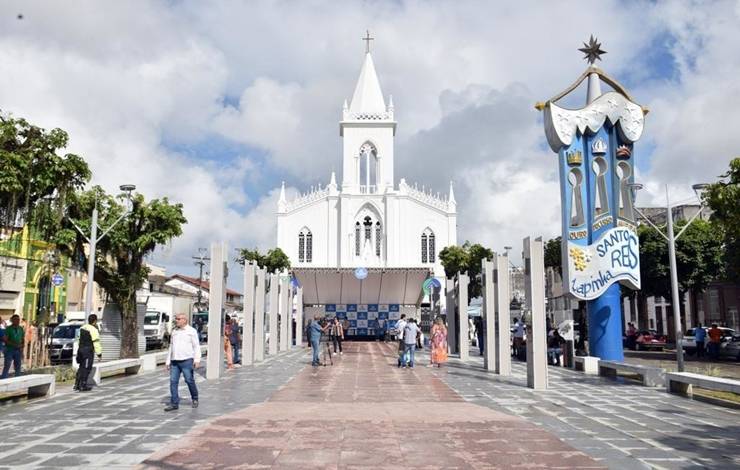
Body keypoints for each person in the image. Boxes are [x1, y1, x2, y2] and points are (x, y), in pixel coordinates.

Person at [165, 313, 201, 411]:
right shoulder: (174, 331)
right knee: (173, 381)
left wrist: (197, 360)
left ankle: (195, 398)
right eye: (176, 319)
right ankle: (174, 403)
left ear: (185, 320)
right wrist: (168, 361)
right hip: (175, 361)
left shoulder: (191, 331)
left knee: (189, 380)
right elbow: (171, 346)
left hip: (187, 360)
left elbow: (196, 346)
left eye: (178, 319)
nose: (176, 320)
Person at [74, 314, 102, 391]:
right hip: (88, 351)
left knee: (81, 367)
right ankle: (83, 385)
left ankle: (76, 384)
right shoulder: (94, 330)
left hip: (80, 350)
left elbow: (78, 340)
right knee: (86, 368)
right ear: (95, 321)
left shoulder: (82, 328)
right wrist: (99, 354)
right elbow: (96, 343)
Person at [1, 314, 24, 379]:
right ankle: (4, 379)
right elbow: (5, 339)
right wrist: (13, 344)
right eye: (16, 319)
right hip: (9, 350)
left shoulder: (20, 329)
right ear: (12, 320)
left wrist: (22, 346)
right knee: (7, 365)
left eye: (18, 319)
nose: (17, 321)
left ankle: (17, 379)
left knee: (18, 366)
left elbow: (22, 339)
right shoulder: (8, 329)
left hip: (18, 350)